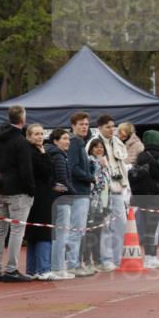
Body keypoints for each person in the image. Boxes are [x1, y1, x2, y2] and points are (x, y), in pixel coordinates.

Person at [0, 105, 35, 282]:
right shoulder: (21, 141)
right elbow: (26, 169)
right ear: (22, 119)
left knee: (0, 230)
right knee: (17, 230)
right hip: (18, 192)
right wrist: (31, 189)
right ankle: (12, 269)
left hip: (0, 189)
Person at [130, 131, 159, 269]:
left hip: (141, 197)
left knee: (146, 228)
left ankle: (148, 257)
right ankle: (151, 258)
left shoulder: (141, 156)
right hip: (156, 196)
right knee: (154, 229)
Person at [46, 127, 84, 278]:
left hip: (58, 199)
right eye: (64, 139)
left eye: (68, 139)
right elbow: (62, 181)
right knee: (61, 235)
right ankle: (58, 267)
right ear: (55, 141)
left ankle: (58, 266)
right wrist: (73, 192)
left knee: (58, 235)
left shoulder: (57, 155)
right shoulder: (59, 157)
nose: (67, 141)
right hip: (62, 200)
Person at [96, 114, 129, 270]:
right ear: (100, 128)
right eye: (108, 127)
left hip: (119, 188)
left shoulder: (117, 142)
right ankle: (106, 259)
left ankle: (118, 258)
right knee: (106, 225)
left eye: (113, 126)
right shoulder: (95, 143)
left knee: (121, 224)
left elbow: (122, 163)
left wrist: (125, 185)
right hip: (104, 190)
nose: (111, 129)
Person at [24, 123, 56, 280]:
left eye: (41, 134)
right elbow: (46, 171)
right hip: (39, 196)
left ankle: (32, 270)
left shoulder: (38, 151)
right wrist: (44, 154)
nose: (40, 137)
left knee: (33, 233)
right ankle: (43, 269)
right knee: (42, 231)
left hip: (39, 195)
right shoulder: (33, 153)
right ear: (28, 136)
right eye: (36, 134)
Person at [66, 112, 94, 275]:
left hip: (80, 191)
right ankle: (73, 264)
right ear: (73, 126)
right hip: (79, 192)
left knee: (77, 230)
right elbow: (74, 168)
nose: (84, 127)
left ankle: (74, 262)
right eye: (81, 124)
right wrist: (91, 177)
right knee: (77, 230)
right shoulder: (75, 142)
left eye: (86, 124)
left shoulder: (79, 143)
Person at [83, 138, 111, 272]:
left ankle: (98, 260)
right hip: (91, 201)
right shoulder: (90, 162)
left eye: (101, 147)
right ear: (91, 149)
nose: (99, 149)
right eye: (96, 147)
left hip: (101, 202)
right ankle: (87, 261)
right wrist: (100, 166)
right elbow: (95, 183)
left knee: (98, 232)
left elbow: (107, 184)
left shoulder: (105, 163)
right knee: (89, 232)